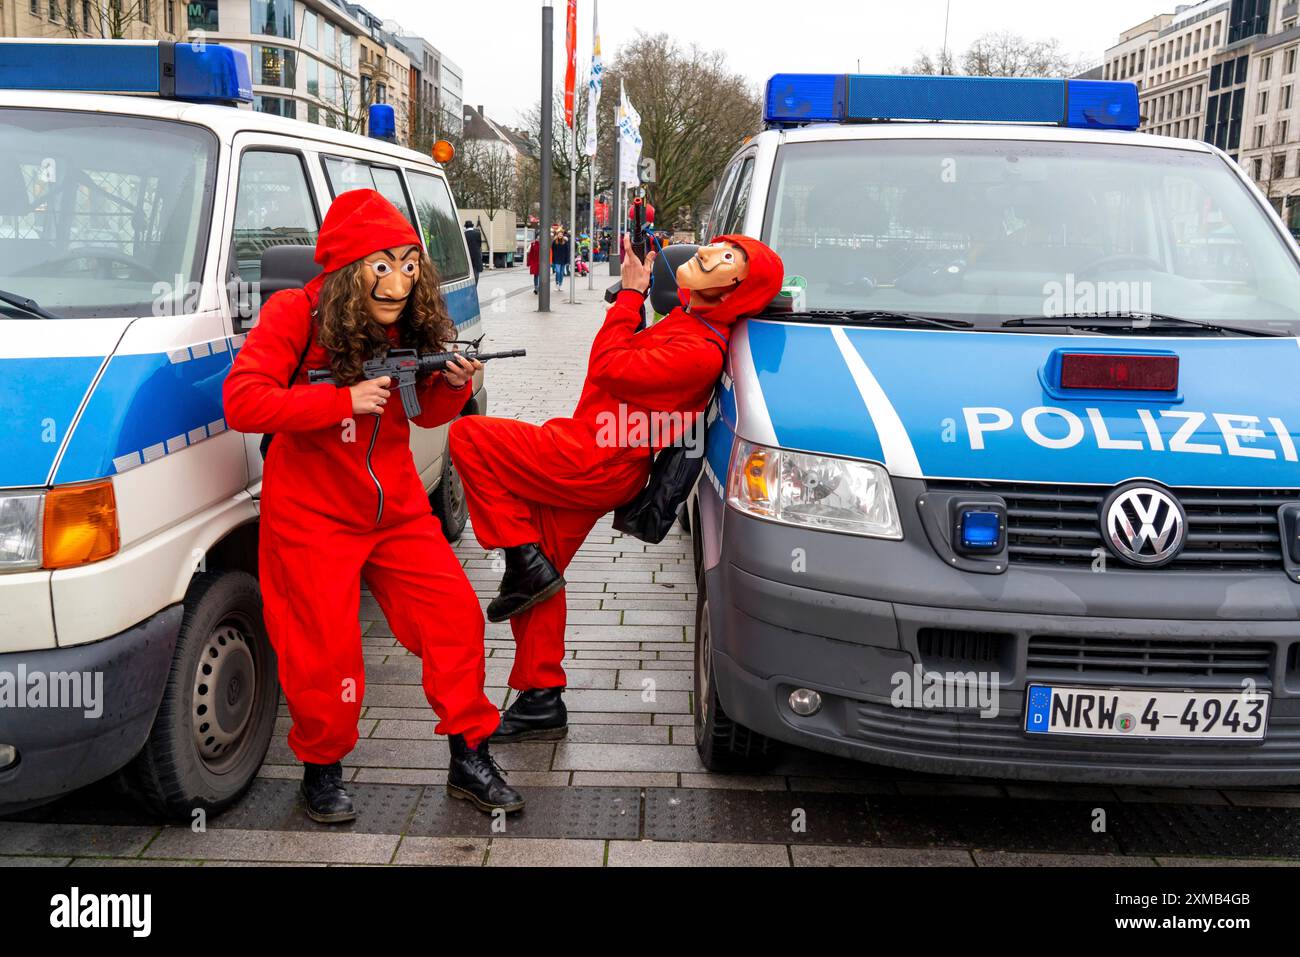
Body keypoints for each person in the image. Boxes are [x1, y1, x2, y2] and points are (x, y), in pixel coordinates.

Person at [224, 189, 523, 822]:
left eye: (409, 266)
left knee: (455, 617)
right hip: (310, 515)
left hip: (397, 510)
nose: (398, 282)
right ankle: (322, 768)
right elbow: (244, 401)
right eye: (380, 266)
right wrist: (341, 402)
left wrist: (451, 385)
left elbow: (425, 414)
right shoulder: (292, 314)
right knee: (323, 653)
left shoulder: (411, 325)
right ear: (343, 272)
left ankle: (469, 755)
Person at [448, 233, 784, 741]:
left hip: (592, 459)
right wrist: (637, 299)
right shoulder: (689, 321)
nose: (709, 253)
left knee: (468, 435)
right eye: (714, 246)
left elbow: (610, 366)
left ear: (737, 286)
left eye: (728, 257)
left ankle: (518, 555)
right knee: (542, 578)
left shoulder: (700, 349)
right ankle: (541, 697)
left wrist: (628, 297)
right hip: (590, 452)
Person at [464, 219, 483, 283]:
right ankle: (475, 284)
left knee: (468, 273)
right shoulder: (478, 233)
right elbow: (479, 245)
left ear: (466, 227)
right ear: (472, 226)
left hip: (467, 256)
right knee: (476, 273)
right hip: (476, 257)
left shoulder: (464, 234)